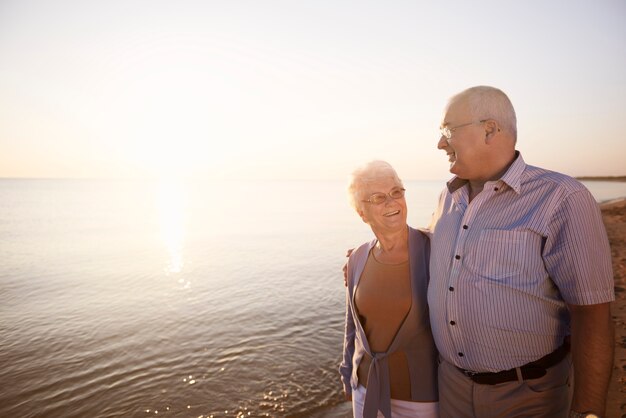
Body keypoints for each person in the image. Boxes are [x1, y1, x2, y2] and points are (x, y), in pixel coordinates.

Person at [429, 86, 615, 417]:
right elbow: (443, 247)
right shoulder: (448, 198)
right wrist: (373, 255)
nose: (439, 143)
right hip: (450, 389)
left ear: (489, 130)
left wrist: (589, 411)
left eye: (446, 131)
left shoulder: (562, 198)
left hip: (528, 398)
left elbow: (592, 313)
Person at [340, 160, 439, 418]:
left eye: (397, 192)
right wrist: (346, 373)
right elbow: (353, 326)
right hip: (365, 389)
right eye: (378, 197)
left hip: (421, 399)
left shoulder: (434, 251)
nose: (392, 202)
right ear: (362, 213)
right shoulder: (358, 258)